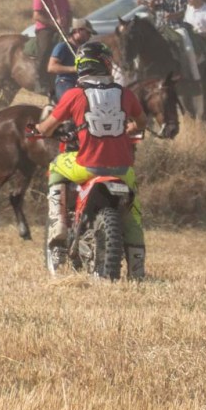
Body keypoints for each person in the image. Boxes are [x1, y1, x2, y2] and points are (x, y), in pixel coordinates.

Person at [34, 42, 148, 280]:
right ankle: (137, 269)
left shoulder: (74, 95)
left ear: (80, 66)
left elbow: (46, 128)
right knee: (133, 214)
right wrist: (129, 128)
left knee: (56, 166)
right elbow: (141, 123)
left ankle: (58, 229)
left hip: (87, 166)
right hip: (123, 168)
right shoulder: (126, 94)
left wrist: (36, 129)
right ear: (106, 64)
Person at [146, 0, 200, 85]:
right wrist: (151, 4)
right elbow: (153, 10)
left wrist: (172, 15)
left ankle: (195, 77)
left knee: (188, 48)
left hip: (176, 26)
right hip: (159, 28)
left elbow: (183, 10)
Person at [33, 0, 71, 95]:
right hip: (46, 29)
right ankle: (39, 81)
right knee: (44, 50)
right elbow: (37, 16)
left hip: (62, 29)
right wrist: (54, 23)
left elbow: (69, 13)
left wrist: (67, 26)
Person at [47, 18, 97, 102]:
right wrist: (74, 69)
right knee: (72, 101)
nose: (89, 36)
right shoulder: (62, 47)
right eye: (88, 33)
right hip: (65, 82)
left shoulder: (84, 50)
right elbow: (51, 67)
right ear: (78, 31)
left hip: (81, 83)